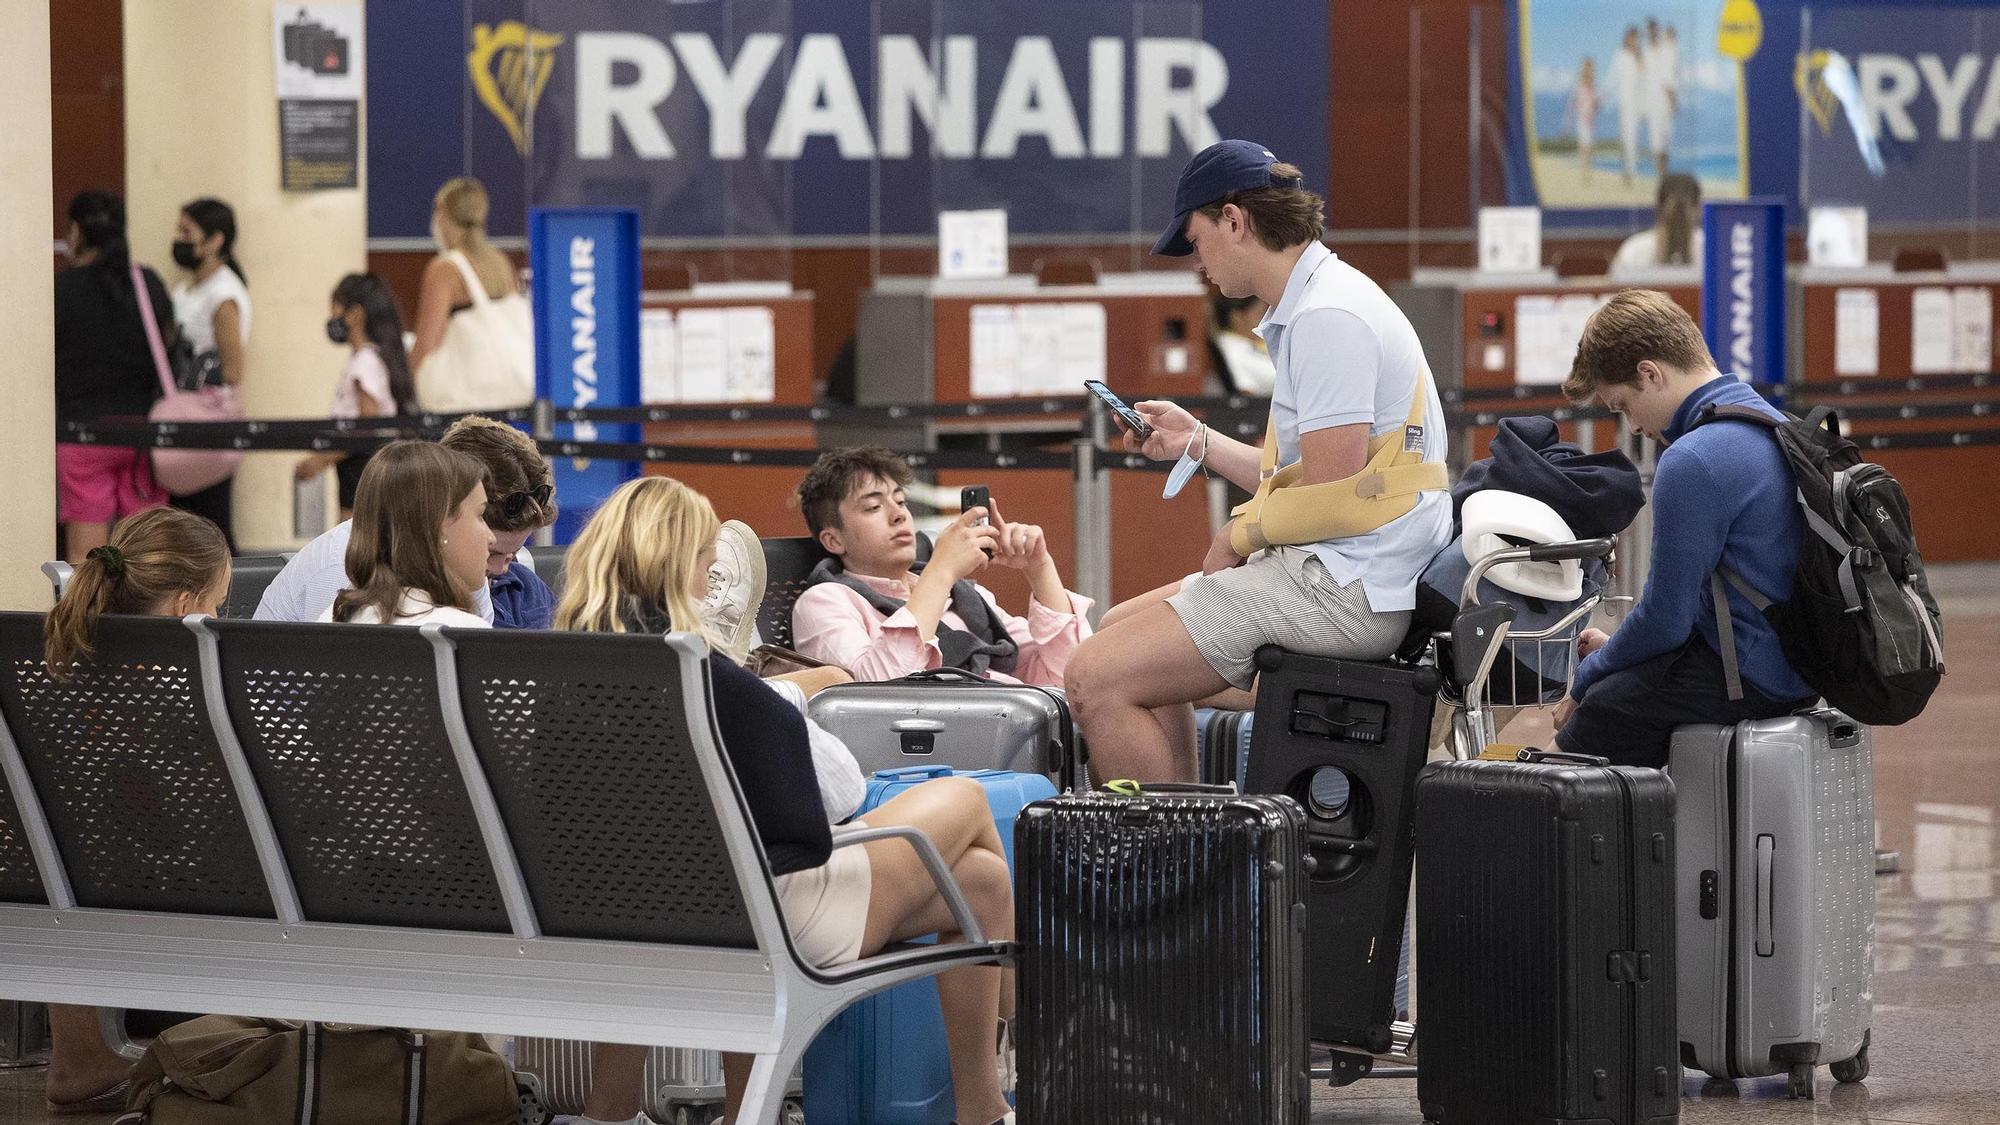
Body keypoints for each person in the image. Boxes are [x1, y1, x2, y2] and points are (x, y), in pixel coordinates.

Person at [555, 477, 1016, 1125]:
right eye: (703, 551)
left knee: (981, 879)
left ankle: (984, 1105)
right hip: (763, 921)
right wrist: (783, 700)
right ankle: (1023, 1032)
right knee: (966, 798)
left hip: (628, 919)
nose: (713, 562)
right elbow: (841, 794)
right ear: (678, 560)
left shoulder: (561, 674)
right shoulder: (705, 676)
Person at [1063, 140, 1452, 783]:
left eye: (1196, 242)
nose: (1198, 266)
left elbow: (1332, 497)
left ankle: (1168, 869)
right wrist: (1199, 442)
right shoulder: (1319, 300)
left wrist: (1236, 534)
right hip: (1347, 571)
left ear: (1235, 221)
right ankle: (1196, 837)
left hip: (1344, 590)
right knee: (1118, 627)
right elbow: (1308, 481)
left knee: (1093, 677)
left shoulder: (1328, 316)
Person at [1552, 290, 1816, 766]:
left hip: (1754, 676)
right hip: (1799, 665)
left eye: (1623, 405)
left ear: (1650, 374)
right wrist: (1622, 652)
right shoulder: (1774, 423)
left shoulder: (1694, 459)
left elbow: (1663, 620)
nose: (1631, 426)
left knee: (1590, 720)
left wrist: (1589, 678)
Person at [40, 506, 230, 1112]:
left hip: (48, 903)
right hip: (172, 930)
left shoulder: (57, 671)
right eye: (218, 603)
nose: (220, 619)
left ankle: (78, 1056)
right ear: (183, 605)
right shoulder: (183, 695)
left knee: (67, 864)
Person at [790, 448, 1093, 688]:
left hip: (1010, 725)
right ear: (834, 540)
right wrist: (941, 573)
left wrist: (1039, 568)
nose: (898, 516)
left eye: (901, 501)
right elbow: (878, 695)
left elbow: (1070, 679)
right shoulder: (826, 601)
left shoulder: (965, 596)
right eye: (873, 507)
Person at [256, 415, 557, 628]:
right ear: (440, 519)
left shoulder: (474, 576)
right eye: (479, 517)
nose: (500, 562)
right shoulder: (342, 569)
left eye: (511, 554)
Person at [53, 189, 171, 561]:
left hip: (83, 433)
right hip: (142, 435)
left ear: (76, 232)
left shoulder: (63, 289)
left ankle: (88, 619)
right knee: (145, 553)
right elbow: (169, 342)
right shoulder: (147, 283)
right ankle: (146, 620)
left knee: (87, 562)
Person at [321, 441, 495, 627]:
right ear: (437, 524)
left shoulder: (329, 619)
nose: (491, 537)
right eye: (480, 515)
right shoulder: (461, 632)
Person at [295, 274, 417, 519]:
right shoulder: (372, 358)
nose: (331, 318)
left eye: (335, 309)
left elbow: (366, 426)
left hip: (361, 464)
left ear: (355, 315)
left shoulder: (365, 362)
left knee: (353, 537)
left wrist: (320, 460)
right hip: (360, 463)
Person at [409, 177, 534, 412]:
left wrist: (402, 387)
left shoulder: (445, 269)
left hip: (463, 404)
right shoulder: (500, 261)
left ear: (444, 215)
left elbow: (426, 343)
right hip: (511, 396)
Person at [168, 197, 250, 550]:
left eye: (188, 232)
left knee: (210, 520)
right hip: (184, 414)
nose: (180, 239)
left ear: (215, 240)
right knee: (182, 520)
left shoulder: (224, 293)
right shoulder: (185, 289)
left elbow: (232, 369)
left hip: (209, 420)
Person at [1611, 172, 1704, 273]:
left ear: (1658, 207)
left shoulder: (1634, 249)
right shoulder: (1711, 250)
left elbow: (1617, 286)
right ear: (1699, 208)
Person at [1210, 291, 1277, 396]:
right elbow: (1245, 391)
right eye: (1260, 315)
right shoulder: (1229, 346)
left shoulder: (1258, 341)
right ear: (1237, 317)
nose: (1266, 321)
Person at [1644, 21, 1680, 178]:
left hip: (1663, 101)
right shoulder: (1646, 51)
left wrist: (1672, 98)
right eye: (1650, 30)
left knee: (1665, 141)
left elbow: (1668, 76)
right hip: (1653, 102)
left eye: (1655, 30)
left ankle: (1664, 175)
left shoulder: (1664, 50)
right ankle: (1661, 176)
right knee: (1657, 143)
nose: (1653, 32)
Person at [1609, 27, 1644, 186]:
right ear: (1626, 38)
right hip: (1624, 101)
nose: (1633, 41)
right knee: (1626, 137)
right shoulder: (1619, 55)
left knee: (1633, 138)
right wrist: (1605, 96)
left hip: (1638, 102)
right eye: (1630, 38)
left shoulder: (1639, 56)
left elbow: (1645, 78)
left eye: (1635, 38)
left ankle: (1630, 172)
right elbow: (1612, 76)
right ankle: (1627, 172)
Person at [1566, 57, 1601, 184]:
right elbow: (1574, 102)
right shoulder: (1579, 85)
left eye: (1590, 68)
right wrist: (1571, 116)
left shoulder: (1593, 86)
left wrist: (1596, 104)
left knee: (1589, 147)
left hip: (1591, 120)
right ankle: (1584, 173)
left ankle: (1587, 172)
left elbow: (1595, 105)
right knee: (1584, 146)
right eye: (1587, 67)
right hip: (1582, 119)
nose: (1589, 70)